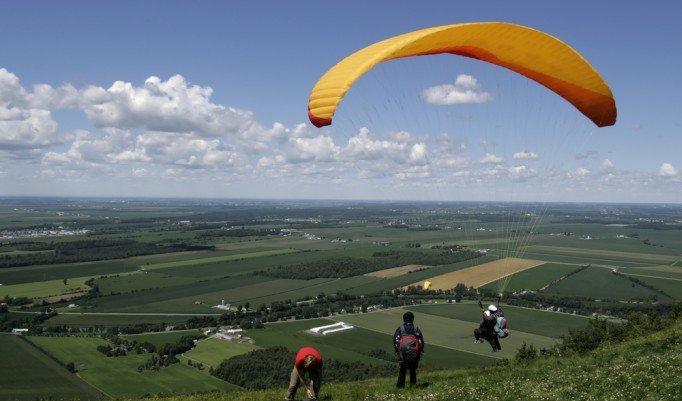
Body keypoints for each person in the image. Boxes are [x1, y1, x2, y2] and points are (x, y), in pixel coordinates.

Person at [393, 311, 424, 388]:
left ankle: (400, 386)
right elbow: (421, 342)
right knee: (412, 370)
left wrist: (397, 351)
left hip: (402, 354)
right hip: (414, 354)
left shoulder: (400, 329)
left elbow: (395, 341)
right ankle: (413, 386)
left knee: (402, 370)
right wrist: (420, 351)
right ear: (412, 319)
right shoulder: (416, 329)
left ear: (404, 319)